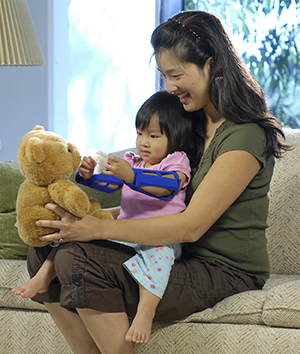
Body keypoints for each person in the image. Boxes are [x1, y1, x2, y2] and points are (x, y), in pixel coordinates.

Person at [22, 11, 290, 354]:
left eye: (176, 74)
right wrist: (82, 219)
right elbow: (154, 202)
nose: (169, 87)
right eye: (164, 75)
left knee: (78, 258)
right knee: (45, 244)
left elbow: (190, 226)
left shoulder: (244, 135)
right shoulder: (189, 126)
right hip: (177, 257)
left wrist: (96, 230)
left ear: (210, 64)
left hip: (223, 270)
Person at [13, 90, 194, 344]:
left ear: (176, 137)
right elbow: (111, 185)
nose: (143, 141)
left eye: (154, 136)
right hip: (124, 232)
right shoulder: (135, 162)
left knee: (159, 260)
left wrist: (131, 175)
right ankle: (45, 274)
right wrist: (88, 177)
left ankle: (145, 313)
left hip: (158, 238)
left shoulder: (176, 162)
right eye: (140, 133)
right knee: (75, 238)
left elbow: (168, 186)